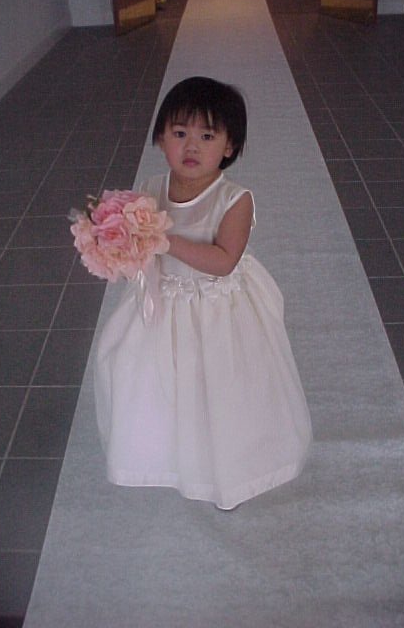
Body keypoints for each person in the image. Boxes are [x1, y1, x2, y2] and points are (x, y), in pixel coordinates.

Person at [95, 77, 312, 510]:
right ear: (160, 138)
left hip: (217, 311)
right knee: (158, 384)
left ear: (230, 146)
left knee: (221, 391)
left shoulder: (234, 199)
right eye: (179, 133)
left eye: (207, 136)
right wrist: (118, 247)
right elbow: (140, 246)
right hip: (164, 305)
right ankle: (171, 458)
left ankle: (230, 475)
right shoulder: (152, 188)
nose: (191, 146)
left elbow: (224, 260)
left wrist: (163, 240)